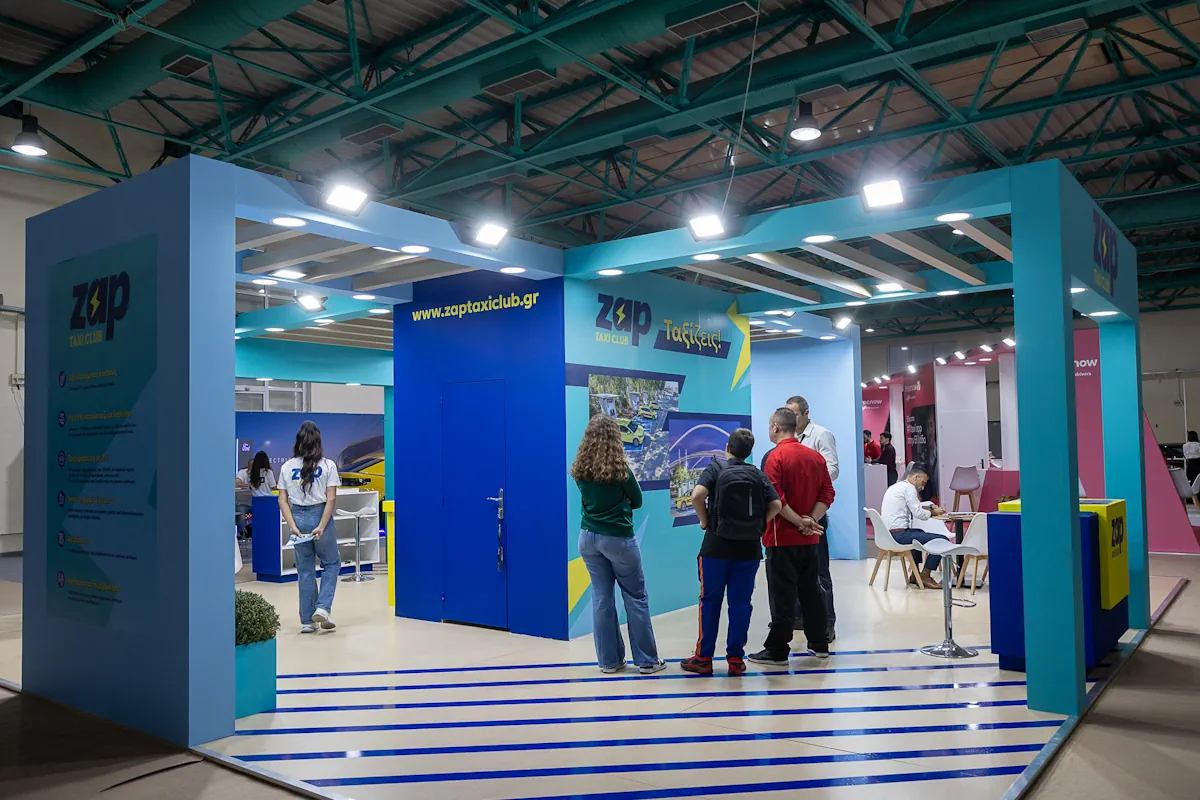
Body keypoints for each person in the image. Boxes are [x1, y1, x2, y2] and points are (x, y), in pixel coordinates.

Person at [681, 428, 781, 676]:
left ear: (727, 447)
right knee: (740, 603)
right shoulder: (757, 474)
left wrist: (705, 521)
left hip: (715, 547)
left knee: (710, 601)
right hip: (748, 549)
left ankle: (703, 658)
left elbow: (697, 496)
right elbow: (776, 505)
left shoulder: (715, 468)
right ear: (749, 451)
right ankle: (735, 659)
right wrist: (759, 525)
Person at [572, 415, 666, 675]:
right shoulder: (620, 470)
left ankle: (609, 662)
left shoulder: (580, 470)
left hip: (587, 538)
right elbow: (637, 500)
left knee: (601, 598)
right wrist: (622, 502)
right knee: (635, 597)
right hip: (618, 539)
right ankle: (647, 661)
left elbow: (590, 501)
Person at [748, 408, 835, 666]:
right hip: (810, 539)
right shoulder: (815, 457)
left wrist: (798, 521)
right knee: (811, 591)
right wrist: (811, 520)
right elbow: (827, 493)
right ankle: (819, 643)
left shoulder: (774, 458)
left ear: (775, 427)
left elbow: (775, 499)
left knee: (782, 596)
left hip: (781, 539)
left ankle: (777, 649)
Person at [278, 421, 342, 633]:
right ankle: (323, 608)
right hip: (320, 515)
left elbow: (282, 500)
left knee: (305, 570)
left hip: (297, 517)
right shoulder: (328, 465)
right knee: (331, 563)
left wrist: (292, 525)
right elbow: (331, 499)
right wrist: (322, 526)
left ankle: (307, 621)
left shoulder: (287, 467)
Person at [785, 395, 838, 641]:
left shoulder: (821, 435)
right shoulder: (787, 438)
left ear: (806, 413)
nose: (790, 418)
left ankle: (827, 622)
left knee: (819, 570)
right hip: (791, 513)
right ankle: (800, 616)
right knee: (794, 569)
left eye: (794, 414)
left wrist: (806, 478)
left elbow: (833, 469)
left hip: (814, 510)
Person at [880, 464, 948, 588]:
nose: (922, 487)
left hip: (889, 535)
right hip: (899, 535)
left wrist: (930, 508)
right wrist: (934, 512)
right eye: (923, 483)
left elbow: (914, 506)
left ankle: (915, 574)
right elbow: (918, 513)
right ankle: (925, 575)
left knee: (918, 532)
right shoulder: (909, 488)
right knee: (942, 540)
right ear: (916, 477)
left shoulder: (896, 487)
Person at [234, 451, 276, 538]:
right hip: (268, 501)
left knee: (258, 521)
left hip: (256, 501)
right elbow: (273, 487)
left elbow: (250, 486)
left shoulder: (251, 474)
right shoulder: (268, 472)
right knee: (267, 523)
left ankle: (251, 532)